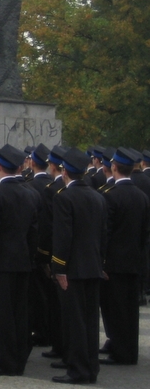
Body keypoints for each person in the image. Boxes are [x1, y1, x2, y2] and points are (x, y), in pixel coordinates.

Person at [0, 145, 40, 377]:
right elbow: (33, 232)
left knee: (4, 315)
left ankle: (8, 362)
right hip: (23, 261)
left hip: (2, 263)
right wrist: (30, 256)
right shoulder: (31, 193)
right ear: (19, 168)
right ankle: (19, 356)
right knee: (20, 312)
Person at [51, 147, 108, 384]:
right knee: (90, 322)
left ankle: (77, 370)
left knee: (75, 322)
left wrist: (59, 268)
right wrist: (101, 262)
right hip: (93, 266)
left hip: (73, 268)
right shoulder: (98, 196)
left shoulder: (64, 198)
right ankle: (91, 367)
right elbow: (104, 235)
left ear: (64, 172)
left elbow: (63, 237)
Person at [99, 148, 150, 365]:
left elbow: (105, 233)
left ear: (114, 168)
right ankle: (129, 349)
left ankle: (120, 350)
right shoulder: (141, 197)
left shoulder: (111, 196)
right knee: (130, 309)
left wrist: (102, 260)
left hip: (114, 263)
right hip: (134, 260)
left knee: (115, 309)